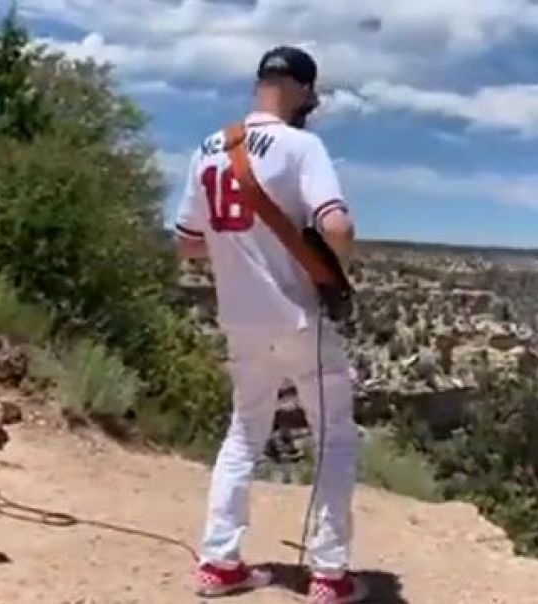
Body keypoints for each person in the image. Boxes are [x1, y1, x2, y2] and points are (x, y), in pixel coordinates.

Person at [172, 45, 367, 604]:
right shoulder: (303, 146)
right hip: (301, 320)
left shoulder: (210, 147)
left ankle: (219, 563)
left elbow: (187, 245)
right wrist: (330, 267)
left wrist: (242, 257)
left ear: (260, 83)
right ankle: (329, 575)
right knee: (334, 441)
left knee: (242, 436)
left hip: (240, 321)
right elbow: (338, 224)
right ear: (304, 91)